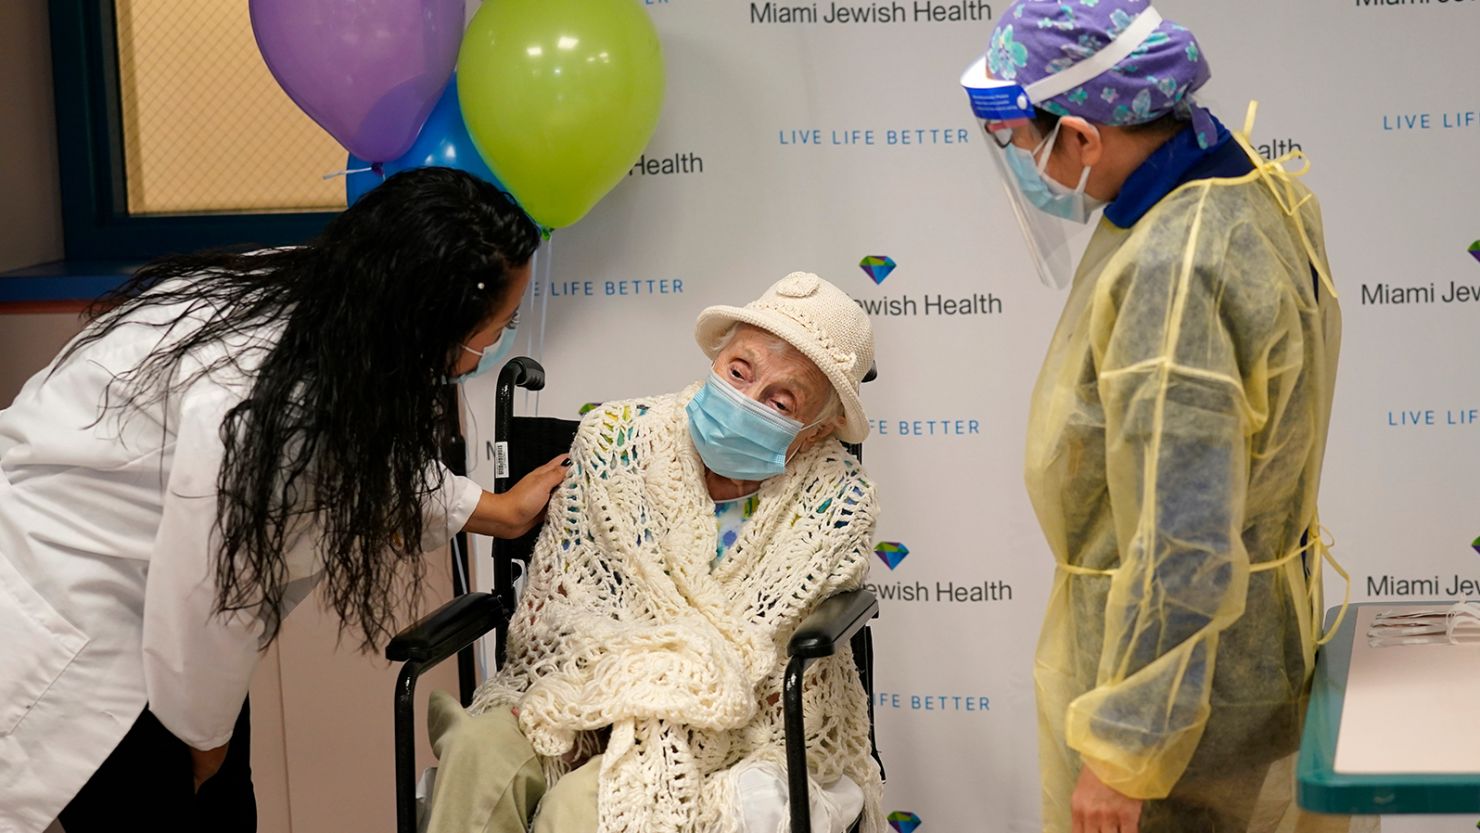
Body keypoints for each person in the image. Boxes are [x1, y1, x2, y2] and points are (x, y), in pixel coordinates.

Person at [0, 167, 570, 833]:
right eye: (500, 325)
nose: (496, 342)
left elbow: (369, 451)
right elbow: (213, 600)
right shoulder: (276, 409)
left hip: (150, 589)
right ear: (430, 317)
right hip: (72, 607)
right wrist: (205, 747)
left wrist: (495, 511)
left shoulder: (342, 302)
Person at [960, 3, 1368, 832]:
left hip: (1181, 708)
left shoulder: (1174, 268)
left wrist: (1123, 749)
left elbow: (1181, 539)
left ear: (1081, 137)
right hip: (1242, 655)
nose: (1028, 169)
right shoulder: (1249, 185)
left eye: (1025, 144)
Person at [423, 272, 884, 833]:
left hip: (719, 724)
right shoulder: (615, 439)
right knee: (476, 751)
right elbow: (562, 611)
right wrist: (600, 689)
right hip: (582, 679)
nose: (746, 399)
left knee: (583, 808)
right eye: (739, 371)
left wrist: (642, 694)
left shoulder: (836, 501)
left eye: (780, 400)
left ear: (816, 430)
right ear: (717, 356)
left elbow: (756, 658)